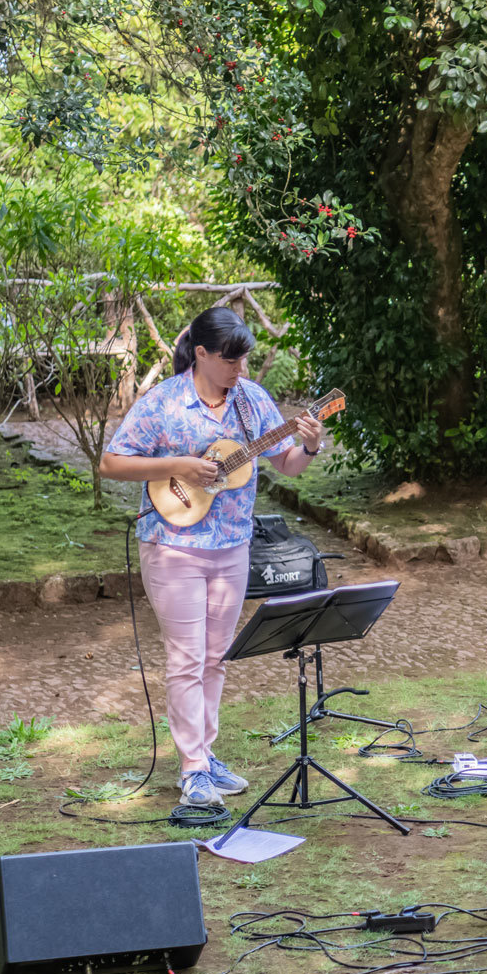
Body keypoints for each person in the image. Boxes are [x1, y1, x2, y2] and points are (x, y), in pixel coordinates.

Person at [99, 307, 325, 805]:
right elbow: (111, 462)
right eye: (230, 360)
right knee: (186, 659)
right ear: (200, 354)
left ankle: (204, 753)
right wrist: (180, 464)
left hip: (232, 547)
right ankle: (193, 770)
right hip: (173, 546)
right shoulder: (164, 402)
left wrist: (308, 446)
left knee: (216, 659)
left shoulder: (251, 401)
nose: (239, 370)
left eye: (243, 360)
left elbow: (286, 463)